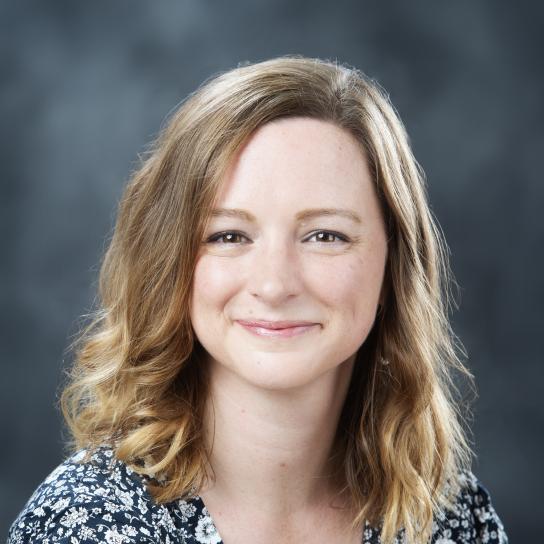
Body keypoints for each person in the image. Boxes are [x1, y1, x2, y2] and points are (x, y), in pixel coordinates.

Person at [8, 55, 508, 544]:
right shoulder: (87, 525)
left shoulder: (454, 520)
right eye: (228, 236)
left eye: (325, 235)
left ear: (393, 263)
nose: (274, 285)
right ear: (172, 262)